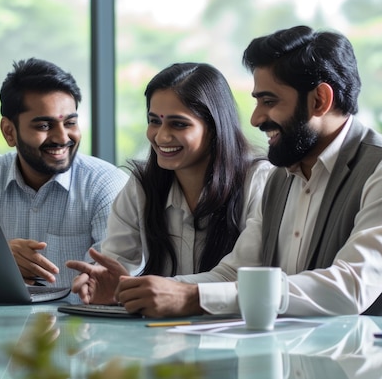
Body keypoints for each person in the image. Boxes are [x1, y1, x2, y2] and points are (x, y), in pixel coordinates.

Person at [74, 26, 382, 319]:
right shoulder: (282, 176)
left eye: (269, 101)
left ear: (320, 100)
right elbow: (234, 274)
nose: (255, 119)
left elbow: (349, 289)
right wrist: (139, 292)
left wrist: (191, 296)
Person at [66, 62, 271, 306]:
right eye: (154, 121)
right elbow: (116, 262)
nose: (161, 136)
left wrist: (163, 289)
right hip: (162, 335)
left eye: (179, 124)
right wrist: (102, 283)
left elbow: (243, 276)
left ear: (215, 127)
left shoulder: (258, 180)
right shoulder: (141, 185)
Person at [0, 58, 128, 294]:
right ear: (9, 132)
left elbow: (117, 271)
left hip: (78, 325)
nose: (62, 137)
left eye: (70, 122)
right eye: (44, 126)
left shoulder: (106, 184)